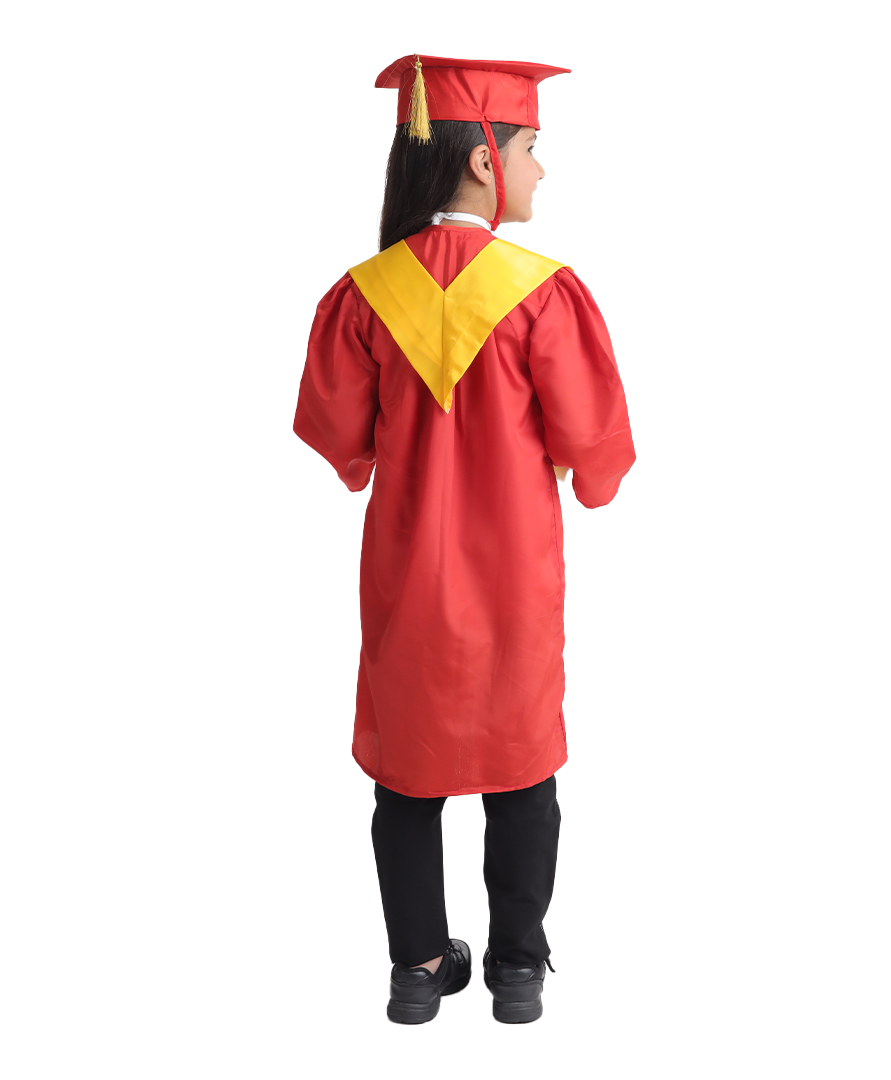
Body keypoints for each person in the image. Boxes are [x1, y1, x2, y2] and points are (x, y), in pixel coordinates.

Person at [292, 54, 636, 1024]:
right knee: (523, 771)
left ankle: (416, 970)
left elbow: (340, 440)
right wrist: (587, 479)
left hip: (407, 582)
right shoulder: (546, 292)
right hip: (515, 585)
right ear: (485, 160)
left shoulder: (364, 293)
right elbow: (597, 450)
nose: (540, 169)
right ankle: (517, 970)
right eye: (531, 149)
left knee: (406, 776)